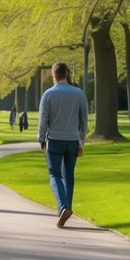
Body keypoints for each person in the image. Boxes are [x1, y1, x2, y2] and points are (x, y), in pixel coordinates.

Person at [37, 61, 88, 228]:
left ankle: (63, 207)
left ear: (54, 75)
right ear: (66, 74)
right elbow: (83, 120)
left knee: (55, 175)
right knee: (69, 176)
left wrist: (41, 138)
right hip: (73, 140)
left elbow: (43, 118)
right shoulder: (79, 93)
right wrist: (82, 141)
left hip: (55, 140)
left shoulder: (49, 94)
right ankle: (67, 209)